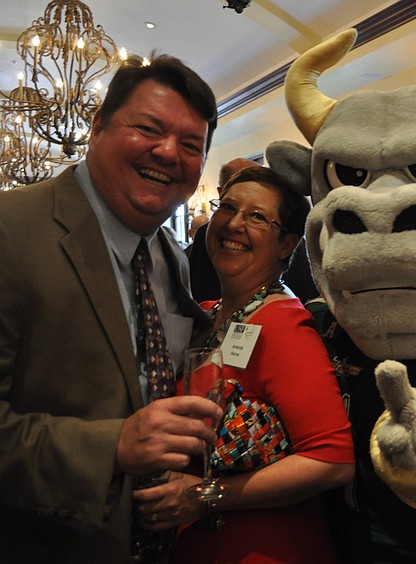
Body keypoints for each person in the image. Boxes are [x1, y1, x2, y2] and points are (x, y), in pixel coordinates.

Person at [0, 53, 222, 562]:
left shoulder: (172, 258)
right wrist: (111, 447)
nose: (169, 153)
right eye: (149, 128)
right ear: (98, 124)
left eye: (191, 146)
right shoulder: (11, 230)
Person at [138, 166, 356, 563]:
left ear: (287, 243)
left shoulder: (284, 325)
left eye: (257, 217)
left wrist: (207, 495)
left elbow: (332, 460)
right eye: (228, 207)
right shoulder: (205, 315)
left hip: (267, 548)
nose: (234, 224)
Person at [189, 157, 258, 302]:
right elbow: (198, 292)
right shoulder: (207, 234)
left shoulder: (277, 233)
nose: (235, 225)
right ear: (221, 193)